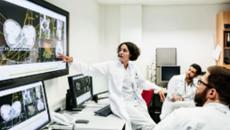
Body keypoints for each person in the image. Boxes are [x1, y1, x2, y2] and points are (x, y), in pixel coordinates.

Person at [59, 42, 166, 130]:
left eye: (124, 50)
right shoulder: (111, 66)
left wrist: (158, 88)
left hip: (136, 103)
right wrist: (73, 62)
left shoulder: (133, 67)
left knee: (146, 125)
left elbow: (142, 82)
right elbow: (90, 69)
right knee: (150, 126)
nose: (120, 52)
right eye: (120, 50)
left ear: (131, 54)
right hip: (123, 104)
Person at [154, 66, 230, 130]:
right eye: (189, 70)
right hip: (170, 108)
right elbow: (170, 95)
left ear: (211, 93)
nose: (189, 72)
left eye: (200, 82)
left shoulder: (182, 116)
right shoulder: (176, 79)